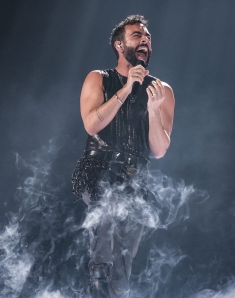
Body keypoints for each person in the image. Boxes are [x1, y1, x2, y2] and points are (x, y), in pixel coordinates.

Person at [71, 15, 175, 298]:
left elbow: (160, 150)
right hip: (97, 170)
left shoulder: (162, 91)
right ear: (119, 45)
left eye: (148, 37)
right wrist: (127, 88)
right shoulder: (99, 78)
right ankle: (98, 274)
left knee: (124, 268)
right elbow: (92, 124)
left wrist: (153, 110)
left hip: (136, 179)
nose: (145, 40)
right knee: (109, 199)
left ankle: (112, 289)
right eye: (137, 35)